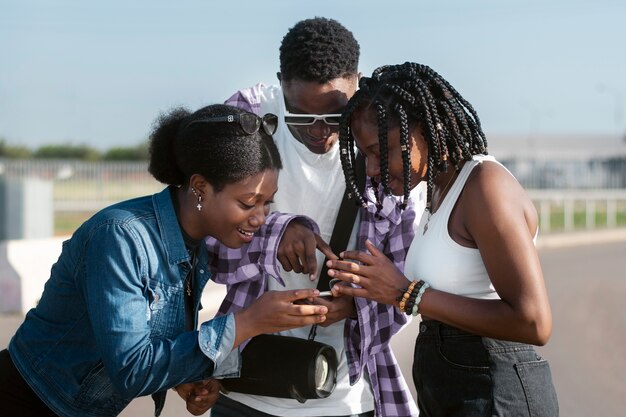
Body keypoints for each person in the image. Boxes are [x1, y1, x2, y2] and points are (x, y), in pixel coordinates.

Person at [0, 104, 330, 417]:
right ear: (200, 187)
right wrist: (247, 323)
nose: (260, 218)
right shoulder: (121, 237)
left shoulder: (194, 243)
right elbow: (131, 370)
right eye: (248, 203)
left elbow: (150, 337)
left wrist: (181, 380)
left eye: (267, 203)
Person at [210, 17, 420, 417]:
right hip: (247, 387)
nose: (321, 132)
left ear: (357, 83)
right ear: (281, 83)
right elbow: (205, 243)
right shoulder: (247, 118)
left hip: (348, 395)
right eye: (302, 118)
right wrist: (277, 230)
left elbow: (407, 274)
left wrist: (354, 308)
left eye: (336, 117)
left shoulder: (386, 137)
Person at [327, 62, 560, 416]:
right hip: (452, 388)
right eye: (366, 155)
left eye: (381, 151)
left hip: (496, 393)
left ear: (424, 129)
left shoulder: (485, 186)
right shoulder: (436, 190)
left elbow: (534, 322)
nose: (371, 169)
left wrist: (405, 293)